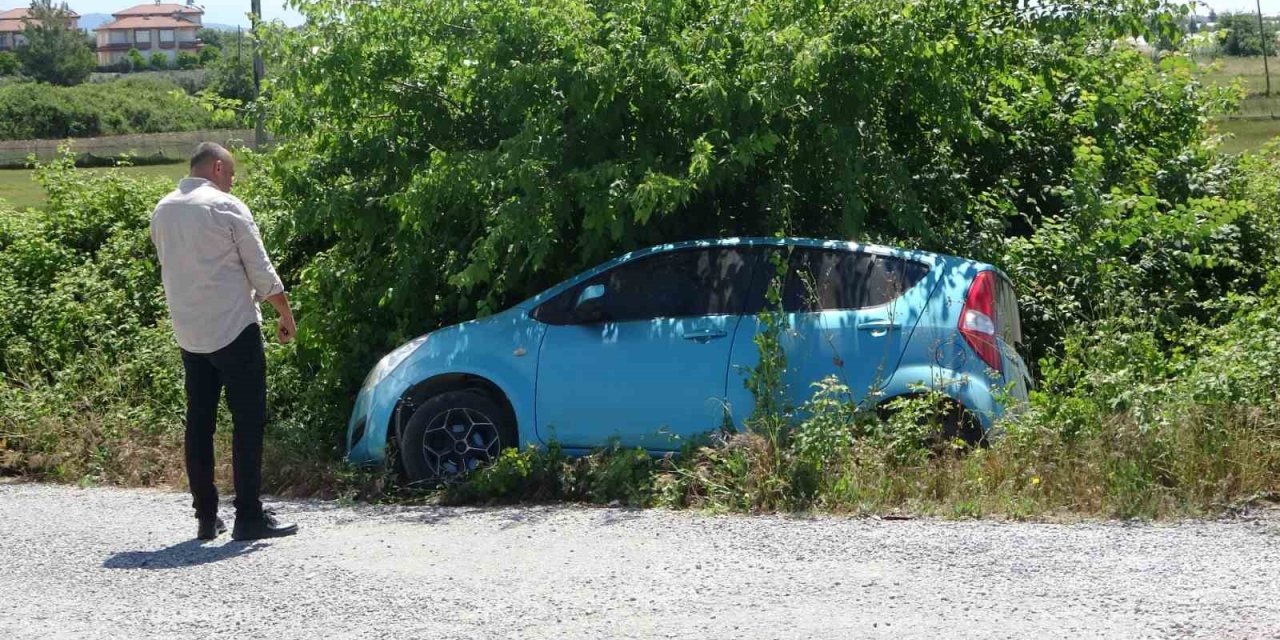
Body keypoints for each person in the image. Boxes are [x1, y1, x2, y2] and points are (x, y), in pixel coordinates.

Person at [150, 142, 299, 541]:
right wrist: (284, 312)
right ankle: (248, 516)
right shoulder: (225, 207)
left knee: (199, 421)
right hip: (234, 329)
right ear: (217, 167)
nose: (231, 183)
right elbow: (260, 270)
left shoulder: (162, 210)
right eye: (230, 175)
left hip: (190, 333)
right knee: (247, 422)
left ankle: (205, 517)